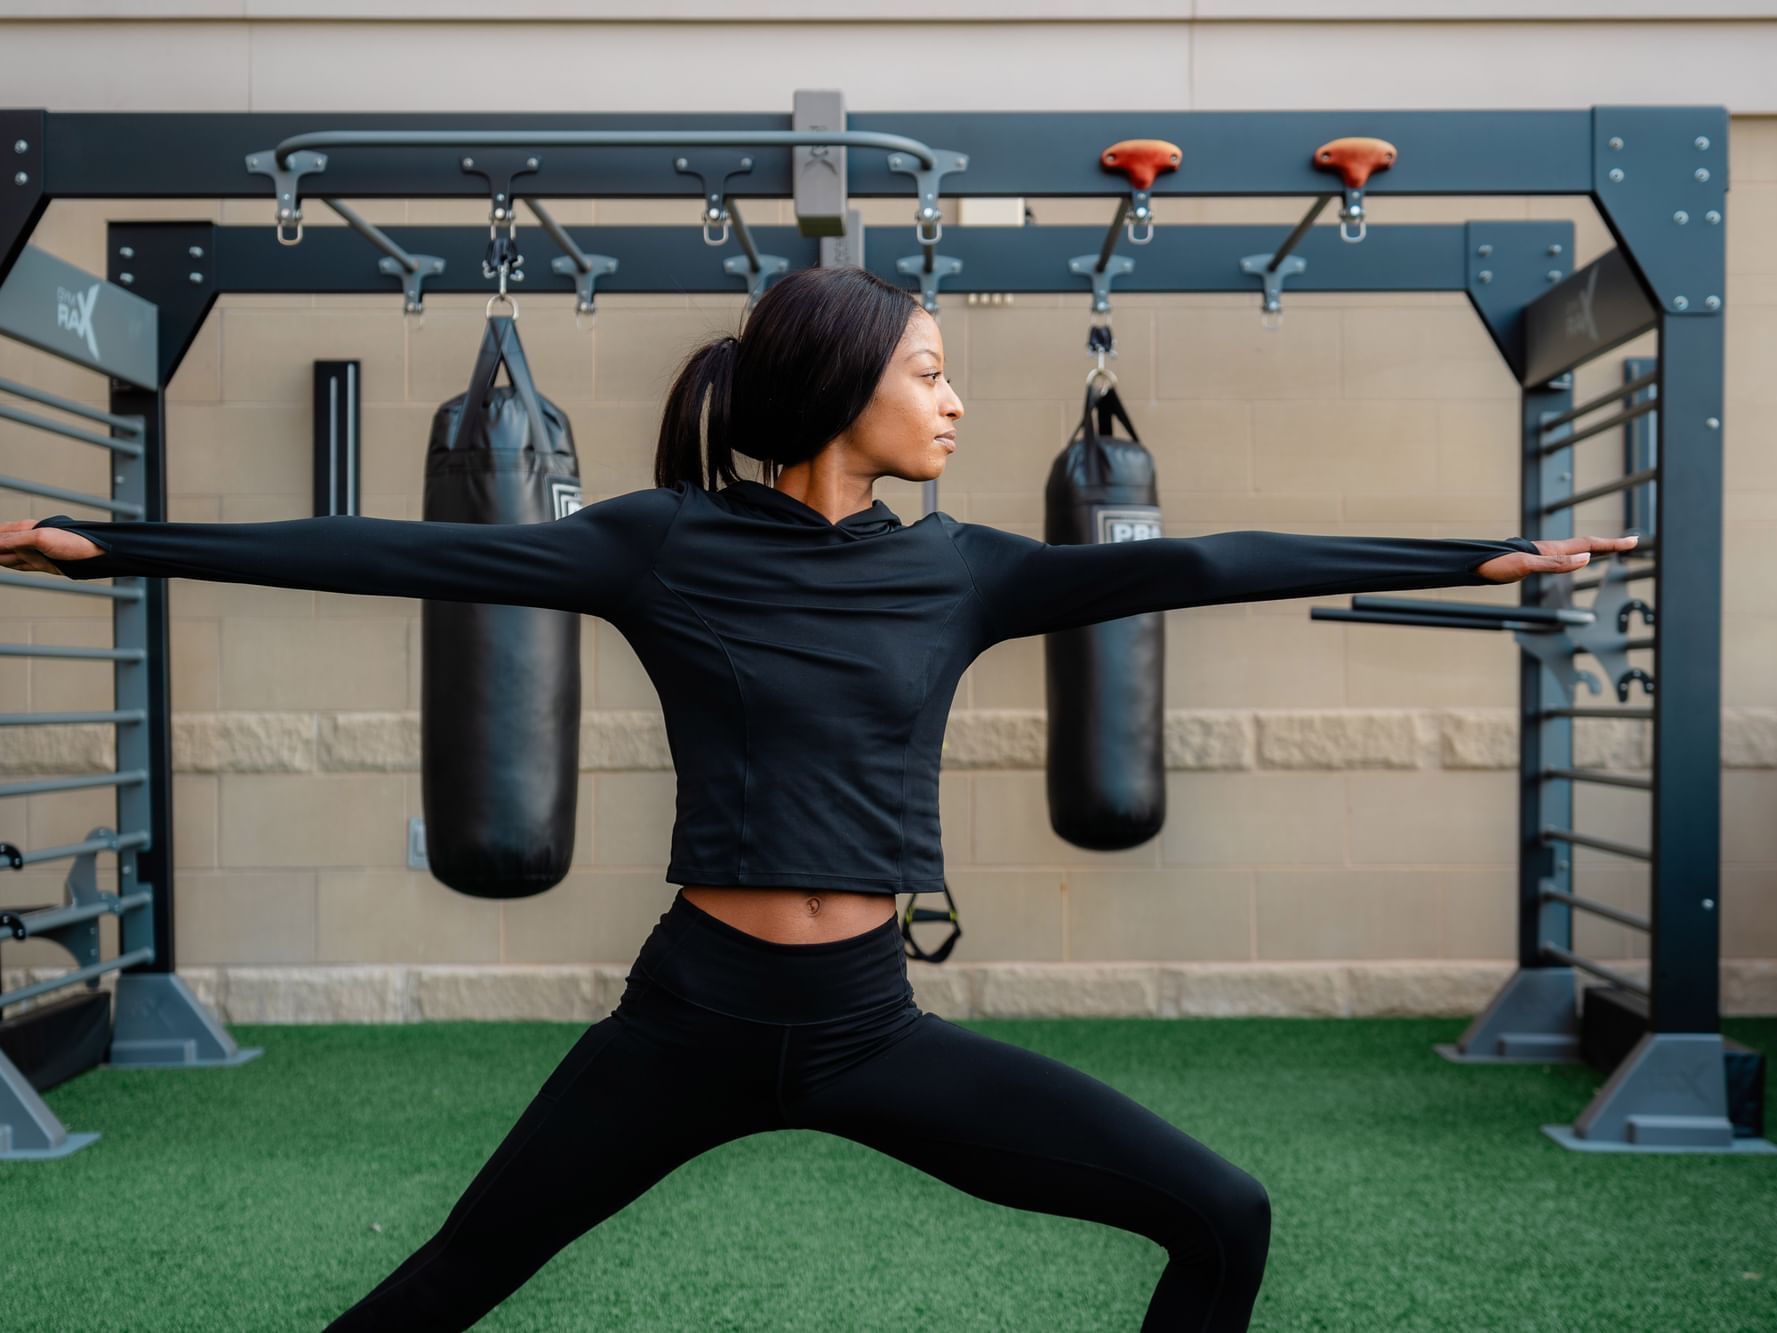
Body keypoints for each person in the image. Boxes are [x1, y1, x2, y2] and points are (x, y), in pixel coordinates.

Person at [1, 265, 1635, 1331]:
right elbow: (391, 548)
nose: (954, 400)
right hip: (686, 1018)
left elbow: (1206, 561)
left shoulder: (964, 573)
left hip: (868, 1027)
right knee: (444, 1285)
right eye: (929, 371)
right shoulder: (657, 540)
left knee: (1220, 1213)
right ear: (842, 384)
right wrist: (109, 542)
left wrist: (1475, 552)